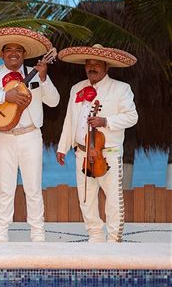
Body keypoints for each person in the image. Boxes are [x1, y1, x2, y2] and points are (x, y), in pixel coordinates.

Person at [0, 27, 59, 242]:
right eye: (8, 49)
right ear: (2, 54)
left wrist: (44, 78)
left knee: (33, 188)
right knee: (5, 188)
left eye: (18, 50)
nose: (13, 53)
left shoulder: (36, 73)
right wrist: (5, 96)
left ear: (24, 54)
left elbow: (54, 101)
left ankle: (38, 235)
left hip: (31, 136)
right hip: (4, 137)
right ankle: (1, 235)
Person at [56, 44, 138, 242]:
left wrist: (106, 121)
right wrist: (63, 146)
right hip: (82, 152)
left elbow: (132, 116)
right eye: (89, 64)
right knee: (86, 197)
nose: (92, 67)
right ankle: (94, 235)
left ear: (106, 67)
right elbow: (70, 118)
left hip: (108, 153)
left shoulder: (121, 88)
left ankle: (114, 238)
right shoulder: (77, 88)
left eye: (97, 64)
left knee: (113, 199)